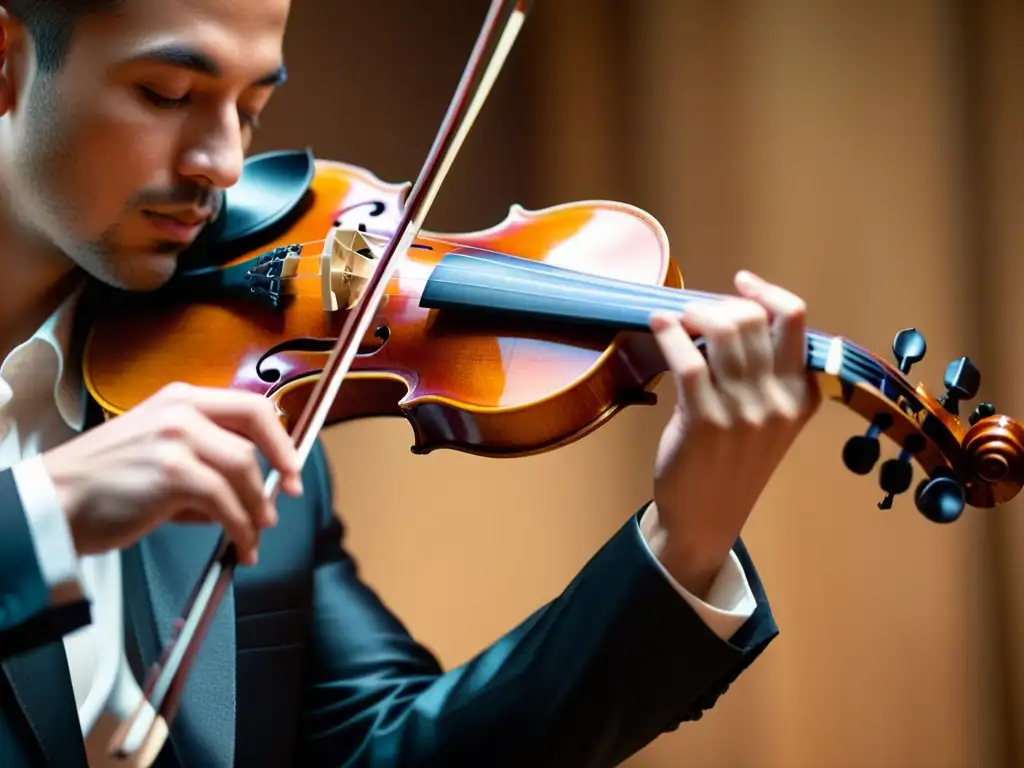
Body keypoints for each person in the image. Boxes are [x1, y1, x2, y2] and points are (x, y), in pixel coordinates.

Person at [0, 0, 820, 766]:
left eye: (251, 107)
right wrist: (41, 515)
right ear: (6, 60)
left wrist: (686, 545)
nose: (223, 163)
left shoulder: (245, 400)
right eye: (168, 92)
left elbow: (392, 747)